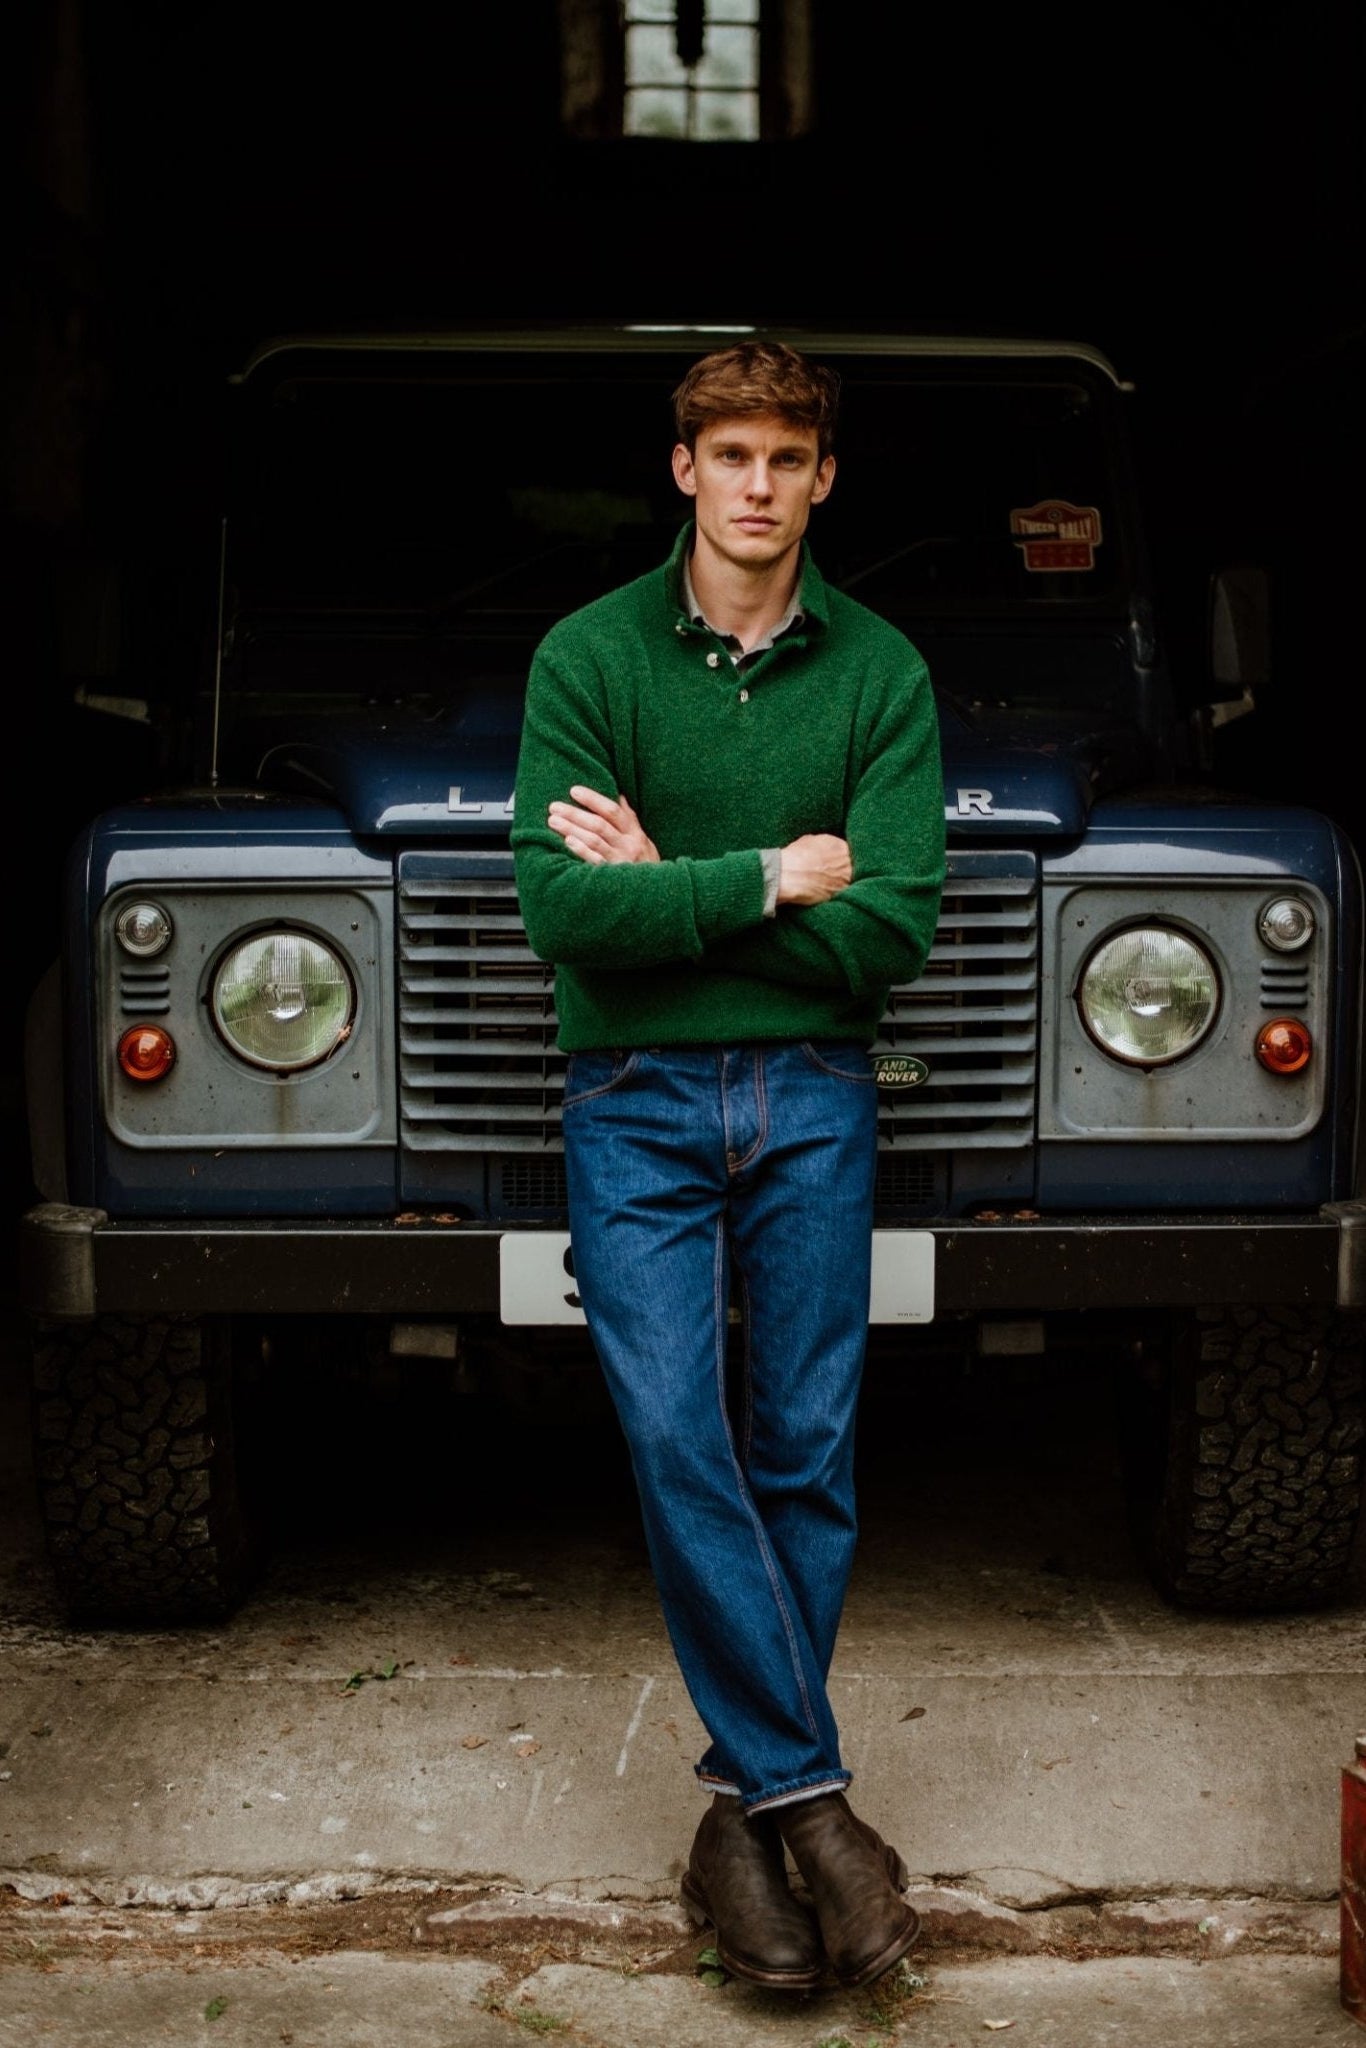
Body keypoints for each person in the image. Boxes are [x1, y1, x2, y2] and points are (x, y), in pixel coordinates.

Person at [511, 340, 945, 1992]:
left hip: (824, 1094)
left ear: (823, 478)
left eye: (788, 457)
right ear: (680, 469)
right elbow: (563, 918)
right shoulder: (588, 658)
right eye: (730, 454)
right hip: (627, 1101)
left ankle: (735, 1825)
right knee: (677, 1432)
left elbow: (892, 930)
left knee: (808, 1444)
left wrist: (670, 896)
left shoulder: (882, 674)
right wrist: (770, 877)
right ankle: (814, 1807)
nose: (758, 483)